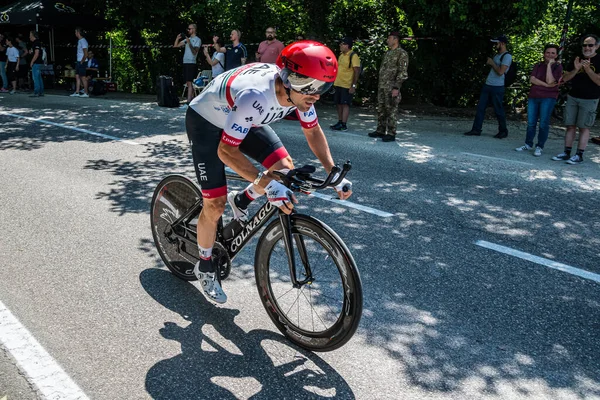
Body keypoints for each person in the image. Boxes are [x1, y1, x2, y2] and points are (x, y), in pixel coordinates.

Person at [185, 40, 352, 303]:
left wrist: (332, 173)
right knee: (215, 204)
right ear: (289, 80)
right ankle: (204, 265)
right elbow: (226, 152)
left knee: (285, 171)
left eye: (324, 87)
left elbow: (312, 131)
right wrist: (266, 183)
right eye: (312, 87)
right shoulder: (256, 97)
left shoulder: (300, 93)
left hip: (243, 117)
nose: (317, 95)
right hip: (208, 122)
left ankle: (243, 199)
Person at [551, 34, 600, 165]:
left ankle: (579, 155)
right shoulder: (576, 58)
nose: (587, 48)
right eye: (585, 45)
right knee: (570, 126)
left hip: (590, 99)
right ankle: (566, 153)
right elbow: (564, 78)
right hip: (573, 96)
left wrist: (588, 69)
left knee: (584, 127)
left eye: (590, 45)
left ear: (597, 46)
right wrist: (576, 69)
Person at [515, 44, 562, 156]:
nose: (550, 55)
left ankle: (540, 146)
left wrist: (550, 66)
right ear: (544, 53)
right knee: (531, 122)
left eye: (553, 53)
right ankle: (528, 144)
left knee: (543, 123)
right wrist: (546, 85)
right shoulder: (538, 65)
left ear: (556, 55)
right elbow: (532, 79)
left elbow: (550, 81)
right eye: (548, 52)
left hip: (548, 97)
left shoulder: (558, 67)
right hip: (534, 96)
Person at [464, 35, 512, 138]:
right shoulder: (497, 55)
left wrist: (492, 63)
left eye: (497, 43)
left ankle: (503, 131)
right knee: (480, 108)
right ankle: (476, 129)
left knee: (498, 109)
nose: (495, 45)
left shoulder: (507, 56)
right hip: (488, 84)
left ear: (502, 43)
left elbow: (500, 72)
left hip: (497, 87)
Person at [368, 31, 409, 142]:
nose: (387, 40)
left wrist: (396, 87)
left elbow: (402, 72)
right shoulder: (388, 53)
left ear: (396, 39)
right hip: (382, 86)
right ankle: (380, 130)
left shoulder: (402, 53)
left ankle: (391, 133)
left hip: (392, 87)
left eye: (389, 38)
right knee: (381, 109)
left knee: (391, 109)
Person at [330, 37, 360, 131]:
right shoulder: (341, 55)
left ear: (347, 45)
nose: (340, 45)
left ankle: (344, 124)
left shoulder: (353, 56)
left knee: (345, 104)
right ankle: (339, 121)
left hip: (347, 84)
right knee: (338, 103)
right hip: (338, 83)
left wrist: (353, 85)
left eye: (342, 44)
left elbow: (357, 71)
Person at [174, 23, 201, 104]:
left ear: (194, 29)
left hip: (191, 62)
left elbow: (195, 52)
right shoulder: (187, 39)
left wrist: (189, 43)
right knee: (188, 82)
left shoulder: (197, 40)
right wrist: (177, 38)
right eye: (188, 29)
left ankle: (188, 101)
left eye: (190, 29)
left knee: (189, 82)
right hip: (185, 62)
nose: (188, 30)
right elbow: (176, 46)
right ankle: (191, 100)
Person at [71, 27, 89, 98]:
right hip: (78, 61)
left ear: (78, 33)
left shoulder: (83, 41)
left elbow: (86, 53)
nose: (75, 33)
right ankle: (77, 92)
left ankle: (86, 92)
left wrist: (82, 61)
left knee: (83, 77)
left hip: (82, 61)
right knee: (77, 76)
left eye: (75, 32)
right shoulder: (79, 41)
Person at [29, 31, 44, 97]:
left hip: (36, 63)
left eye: (30, 35)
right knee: (39, 77)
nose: (29, 37)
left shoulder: (36, 43)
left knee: (35, 78)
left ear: (33, 36)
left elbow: (36, 53)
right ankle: (41, 92)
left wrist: (32, 62)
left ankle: (36, 92)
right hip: (39, 63)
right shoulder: (37, 43)